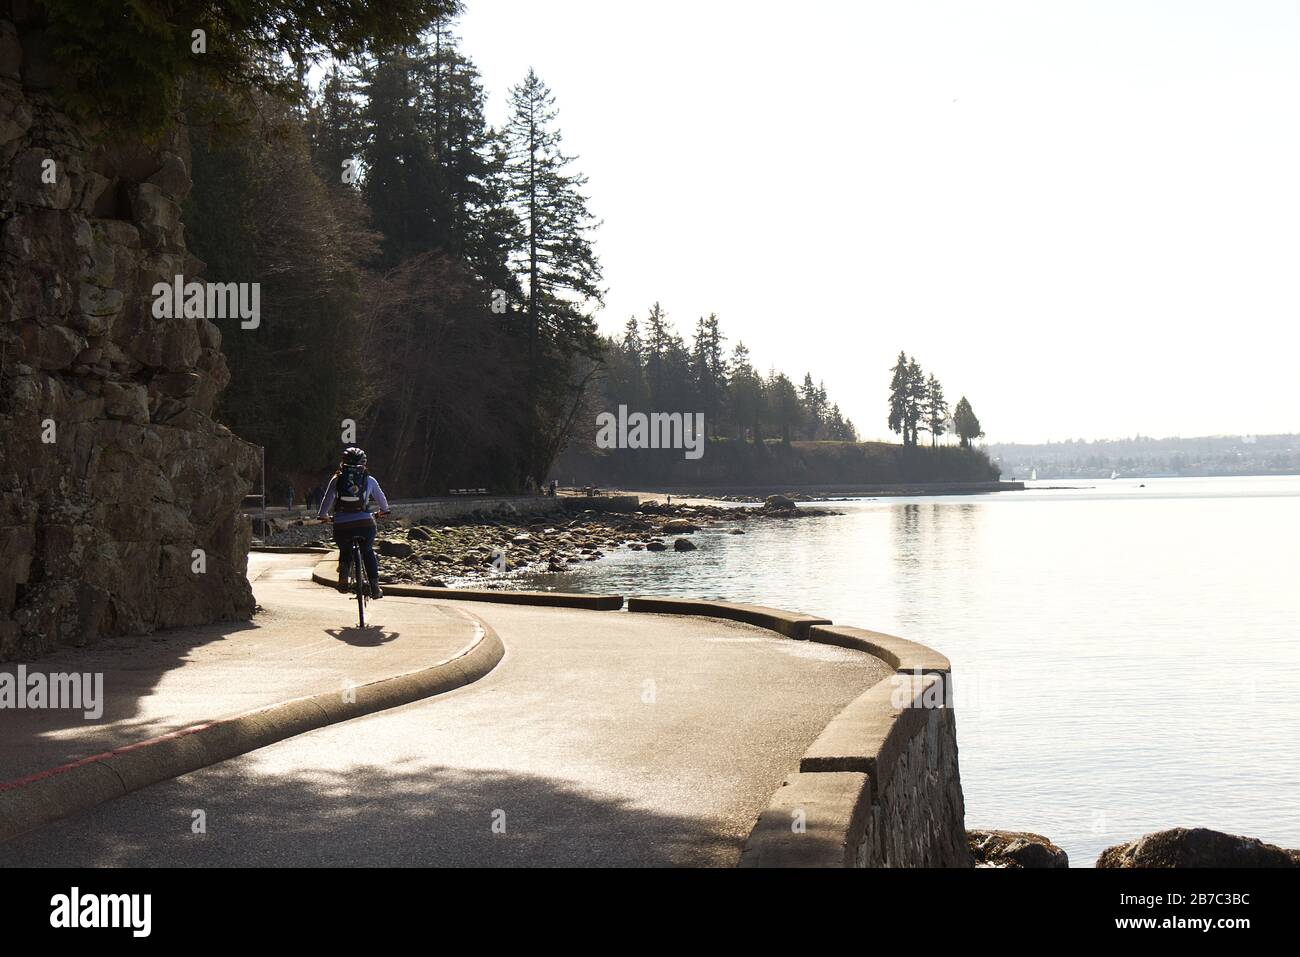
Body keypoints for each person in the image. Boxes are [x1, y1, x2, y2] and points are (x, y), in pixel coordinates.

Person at [318, 447, 390, 599]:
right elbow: (383, 502)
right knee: (368, 551)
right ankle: (375, 587)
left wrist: (323, 516)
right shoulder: (369, 480)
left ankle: (344, 574)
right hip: (365, 524)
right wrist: (383, 511)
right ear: (364, 464)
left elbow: (326, 501)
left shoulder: (336, 479)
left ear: (343, 463)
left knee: (345, 549)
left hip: (342, 525)